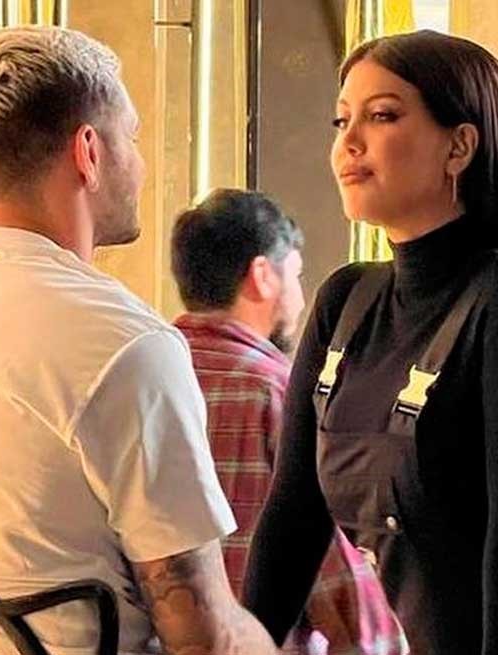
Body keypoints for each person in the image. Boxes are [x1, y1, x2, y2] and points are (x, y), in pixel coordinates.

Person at [0, 26, 274, 655]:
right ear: (88, 151)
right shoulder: (125, 344)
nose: (141, 164)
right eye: (133, 137)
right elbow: (204, 635)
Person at [241, 30, 498, 655]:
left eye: (382, 116)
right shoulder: (345, 301)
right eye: (342, 120)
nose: (349, 142)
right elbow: (294, 519)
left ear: (459, 145)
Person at [170, 189, 404, 654]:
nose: (300, 299)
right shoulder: (278, 394)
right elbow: (344, 598)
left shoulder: (149, 377)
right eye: (295, 275)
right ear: (262, 276)